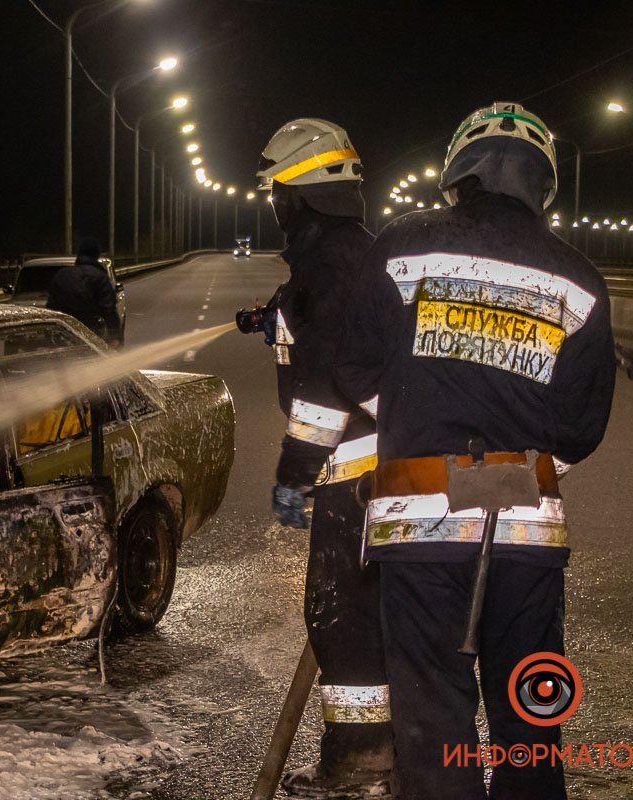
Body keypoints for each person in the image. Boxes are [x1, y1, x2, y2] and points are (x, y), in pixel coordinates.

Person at [336, 102, 615, 799]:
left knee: (435, 725)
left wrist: (411, 411)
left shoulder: (404, 245)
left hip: (421, 528)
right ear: (543, 183)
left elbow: (353, 367)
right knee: (530, 721)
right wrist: (507, 474)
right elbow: (579, 427)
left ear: (459, 173)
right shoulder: (579, 280)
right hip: (527, 532)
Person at [251, 118, 393, 798]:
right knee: (370, 615)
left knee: (339, 614)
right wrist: (269, 319)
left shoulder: (323, 266)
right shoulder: (353, 254)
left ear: (298, 193)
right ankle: (385, 754)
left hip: (357, 468)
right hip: (387, 462)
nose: (273, 204)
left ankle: (363, 759)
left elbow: (323, 391)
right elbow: (311, 323)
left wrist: (294, 475)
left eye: (277, 191)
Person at [46, 237, 123, 347]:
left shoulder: (61, 274)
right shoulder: (99, 277)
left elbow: (51, 307)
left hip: (62, 333)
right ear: (96, 255)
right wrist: (115, 337)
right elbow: (108, 309)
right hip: (89, 333)